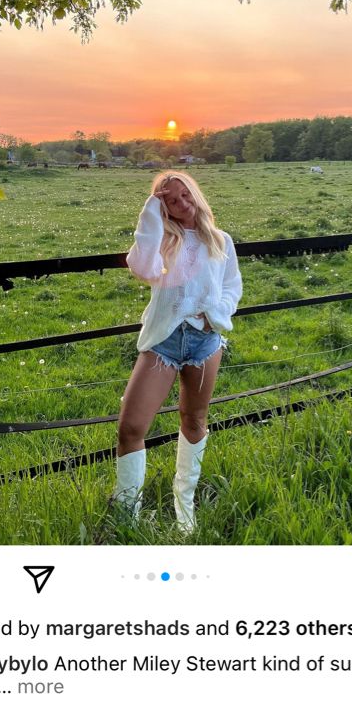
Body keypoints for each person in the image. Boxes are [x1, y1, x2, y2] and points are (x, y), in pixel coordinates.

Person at [114, 171, 243, 531]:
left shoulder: (221, 240)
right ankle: (127, 517)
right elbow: (141, 268)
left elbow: (232, 287)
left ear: (196, 195)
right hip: (164, 343)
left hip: (205, 342)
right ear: (162, 207)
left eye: (185, 195)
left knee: (194, 421)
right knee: (131, 428)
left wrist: (216, 313)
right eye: (171, 199)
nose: (182, 203)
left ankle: (184, 508)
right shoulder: (161, 242)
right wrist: (150, 214)